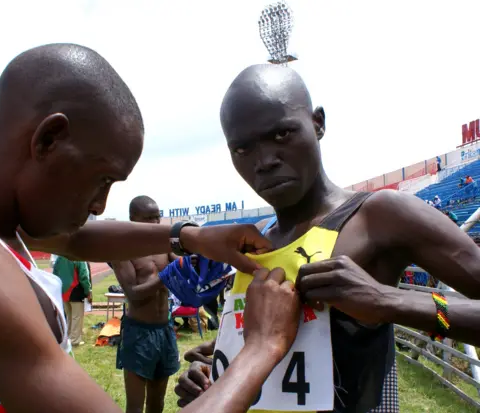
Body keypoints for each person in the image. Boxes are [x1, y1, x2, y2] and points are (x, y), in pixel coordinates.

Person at [0, 43, 295, 413]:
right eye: (102, 179)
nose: (101, 204)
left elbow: (75, 237)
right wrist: (261, 348)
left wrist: (189, 236)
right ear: (49, 139)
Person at [176, 64, 480, 413]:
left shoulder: (379, 215)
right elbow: (280, 342)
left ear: (318, 123)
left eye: (281, 135)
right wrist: (218, 372)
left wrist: (387, 301)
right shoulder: (253, 240)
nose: (265, 161)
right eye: (243, 149)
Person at [111, 195, 180, 413]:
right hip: (138, 332)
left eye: (156, 218)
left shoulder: (163, 245)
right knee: (135, 407)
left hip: (164, 328)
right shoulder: (122, 250)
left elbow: (183, 265)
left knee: (157, 404)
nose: (154, 224)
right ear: (133, 219)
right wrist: (166, 276)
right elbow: (133, 293)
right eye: (147, 218)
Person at [54, 255, 91, 346]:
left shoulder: (59, 258)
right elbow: (84, 276)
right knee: (76, 316)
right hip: (75, 290)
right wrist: (88, 291)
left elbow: (54, 274)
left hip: (63, 290)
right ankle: (75, 340)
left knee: (69, 316)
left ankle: (69, 337)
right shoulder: (78, 258)